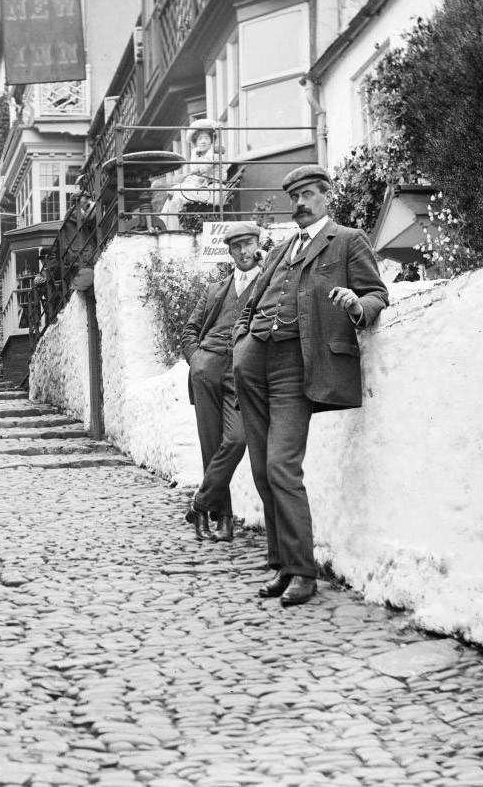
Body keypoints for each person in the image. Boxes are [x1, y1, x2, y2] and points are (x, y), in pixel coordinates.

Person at [232, 166, 389, 607]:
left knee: (282, 465)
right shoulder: (281, 248)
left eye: (307, 194)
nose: (299, 203)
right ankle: (282, 564)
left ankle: (304, 571)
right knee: (262, 469)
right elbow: (253, 300)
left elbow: (377, 293)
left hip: (296, 366)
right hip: (253, 363)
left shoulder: (347, 240)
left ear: (325, 196)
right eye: (294, 196)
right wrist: (240, 342)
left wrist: (357, 305)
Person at [180, 222, 262, 542]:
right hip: (206, 372)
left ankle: (201, 504)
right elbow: (189, 330)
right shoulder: (216, 289)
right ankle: (223, 518)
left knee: (237, 439)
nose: (243, 251)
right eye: (236, 246)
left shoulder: (268, 286)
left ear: (259, 244)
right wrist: (196, 360)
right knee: (210, 447)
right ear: (229, 252)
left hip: (242, 375)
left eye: (248, 244)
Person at [158, 120, 227, 229]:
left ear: (211, 140)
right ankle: (166, 227)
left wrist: (194, 153)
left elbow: (201, 168)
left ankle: (167, 227)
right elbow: (196, 174)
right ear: (196, 141)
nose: (203, 141)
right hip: (206, 191)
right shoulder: (201, 155)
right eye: (200, 139)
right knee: (174, 198)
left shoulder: (214, 154)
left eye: (206, 138)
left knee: (177, 190)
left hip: (215, 192)